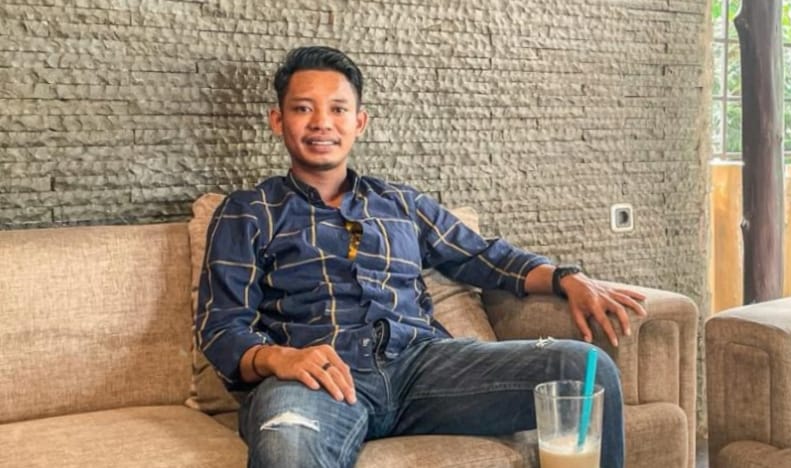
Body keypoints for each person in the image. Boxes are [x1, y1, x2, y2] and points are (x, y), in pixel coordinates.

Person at [195, 45, 647, 468]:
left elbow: (481, 254)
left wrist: (567, 277)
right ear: (278, 120)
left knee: (583, 368)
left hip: (423, 369)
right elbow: (221, 328)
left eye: (338, 109)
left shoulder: (400, 203)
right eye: (302, 108)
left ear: (359, 122)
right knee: (287, 446)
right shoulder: (248, 211)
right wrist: (279, 358)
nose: (321, 123)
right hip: (317, 380)